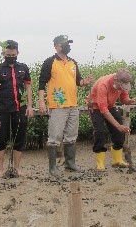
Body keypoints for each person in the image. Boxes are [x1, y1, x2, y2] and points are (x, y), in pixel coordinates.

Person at [38, 35, 93, 177]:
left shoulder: (73, 62)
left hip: (73, 104)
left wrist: (85, 82)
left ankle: (70, 163)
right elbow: (42, 83)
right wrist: (42, 101)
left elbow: (78, 81)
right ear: (56, 45)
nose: (66, 46)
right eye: (63, 44)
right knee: (55, 135)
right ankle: (52, 167)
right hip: (57, 105)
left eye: (68, 44)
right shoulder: (49, 62)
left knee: (72, 135)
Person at [0, 40, 34, 177]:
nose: (11, 56)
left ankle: (16, 168)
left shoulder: (23, 68)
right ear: (3, 53)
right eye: (8, 54)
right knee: (0, 139)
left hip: (20, 108)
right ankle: (0, 169)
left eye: (13, 54)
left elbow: (28, 87)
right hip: (2, 109)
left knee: (19, 138)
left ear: (17, 53)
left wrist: (30, 106)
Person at [87, 69, 135, 170]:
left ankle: (117, 160)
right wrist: (118, 126)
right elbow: (103, 110)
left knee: (119, 132)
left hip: (110, 105)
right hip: (96, 106)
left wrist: (129, 101)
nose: (122, 88)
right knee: (99, 131)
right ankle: (100, 162)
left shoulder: (123, 83)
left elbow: (123, 99)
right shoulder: (103, 85)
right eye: (121, 86)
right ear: (116, 80)